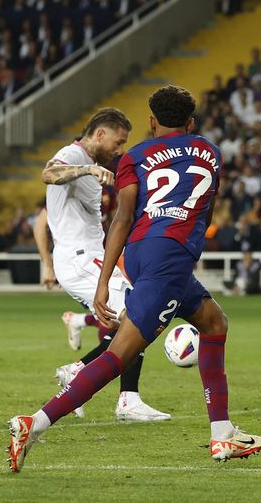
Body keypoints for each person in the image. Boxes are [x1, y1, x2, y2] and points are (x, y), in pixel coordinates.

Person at [8, 85, 261, 473]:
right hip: (172, 256)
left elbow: (123, 218)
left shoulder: (135, 156)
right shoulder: (209, 152)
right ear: (191, 122)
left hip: (145, 252)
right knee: (119, 354)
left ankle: (223, 433)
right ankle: (35, 424)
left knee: (215, 323)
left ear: (152, 122)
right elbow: (207, 212)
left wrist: (105, 279)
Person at [31, 107, 169, 423]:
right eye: (118, 142)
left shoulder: (91, 162)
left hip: (87, 257)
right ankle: (118, 395)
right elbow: (48, 174)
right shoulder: (73, 154)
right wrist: (87, 171)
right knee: (139, 316)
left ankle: (111, 389)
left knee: (130, 322)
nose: (119, 150)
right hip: (80, 258)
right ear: (100, 134)